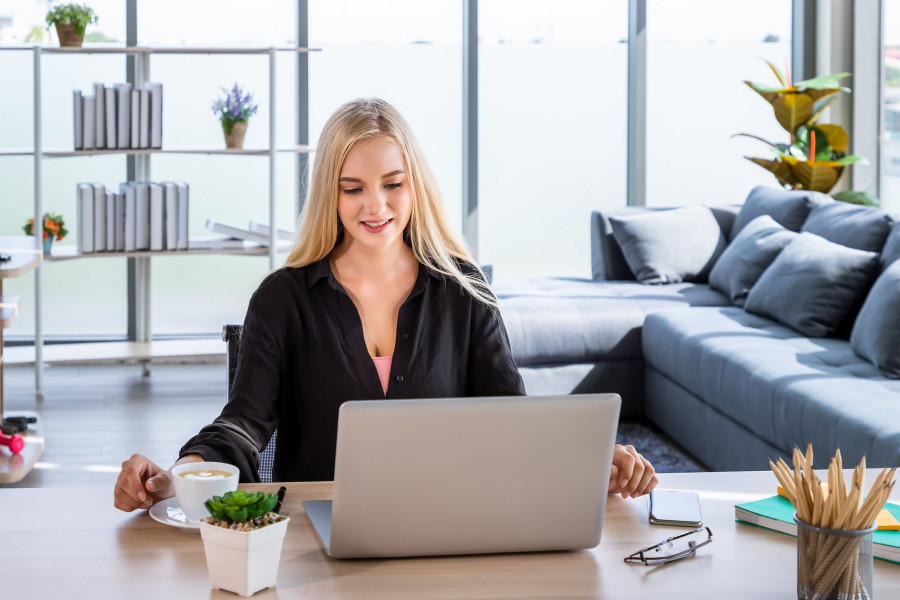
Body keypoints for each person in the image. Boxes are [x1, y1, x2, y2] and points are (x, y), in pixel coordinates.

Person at [114, 98, 657, 513]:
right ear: (331, 193)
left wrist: (590, 460)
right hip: (316, 534)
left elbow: (511, 421)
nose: (375, 206)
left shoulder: (464, 291)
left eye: (392, 184)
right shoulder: (282, 299)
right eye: (353, 189)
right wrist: (182, 471)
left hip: (450, 523)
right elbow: (244, 423)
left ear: (414, 185)